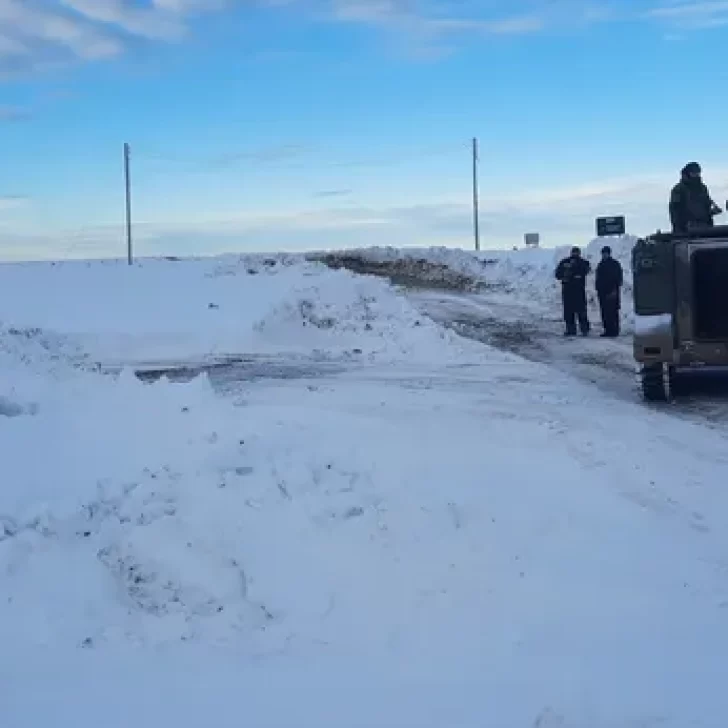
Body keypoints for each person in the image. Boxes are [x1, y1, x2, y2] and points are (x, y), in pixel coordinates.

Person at [669, 162, 722, 233]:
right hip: (687, 228)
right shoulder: (679, 189)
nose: (696, 174)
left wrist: (712, 212)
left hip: (705, 227)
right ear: (688, 173)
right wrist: (679, 229)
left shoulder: (702, 188)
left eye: (698, 172)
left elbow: (706, 206)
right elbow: (675, 211)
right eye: (693, 172)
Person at [555, 246, 591, 336]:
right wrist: (565, 275)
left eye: (577, 253)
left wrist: (575, 270)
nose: (575, 254)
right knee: (568, 312)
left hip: (579, 290)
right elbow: (557, 274)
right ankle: (570, 329)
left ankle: (584, 329)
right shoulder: (564, 262)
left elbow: (586, 270)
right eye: (574, 253)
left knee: (581, 311)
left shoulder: (583, 262)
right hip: (568, 290)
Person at [595, 245, 623, 337]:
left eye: (606, 253)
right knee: (605, 312)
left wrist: (614, 289)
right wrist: (598, 288)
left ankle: (614, 330)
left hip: (612, 292)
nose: (604, 255)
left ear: (609, 253)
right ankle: (607, 330)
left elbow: (618, 278)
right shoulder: (601, 264)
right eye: (603, 253)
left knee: (613, 312)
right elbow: (598, 278)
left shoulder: (614, 264)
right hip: (602, 292)